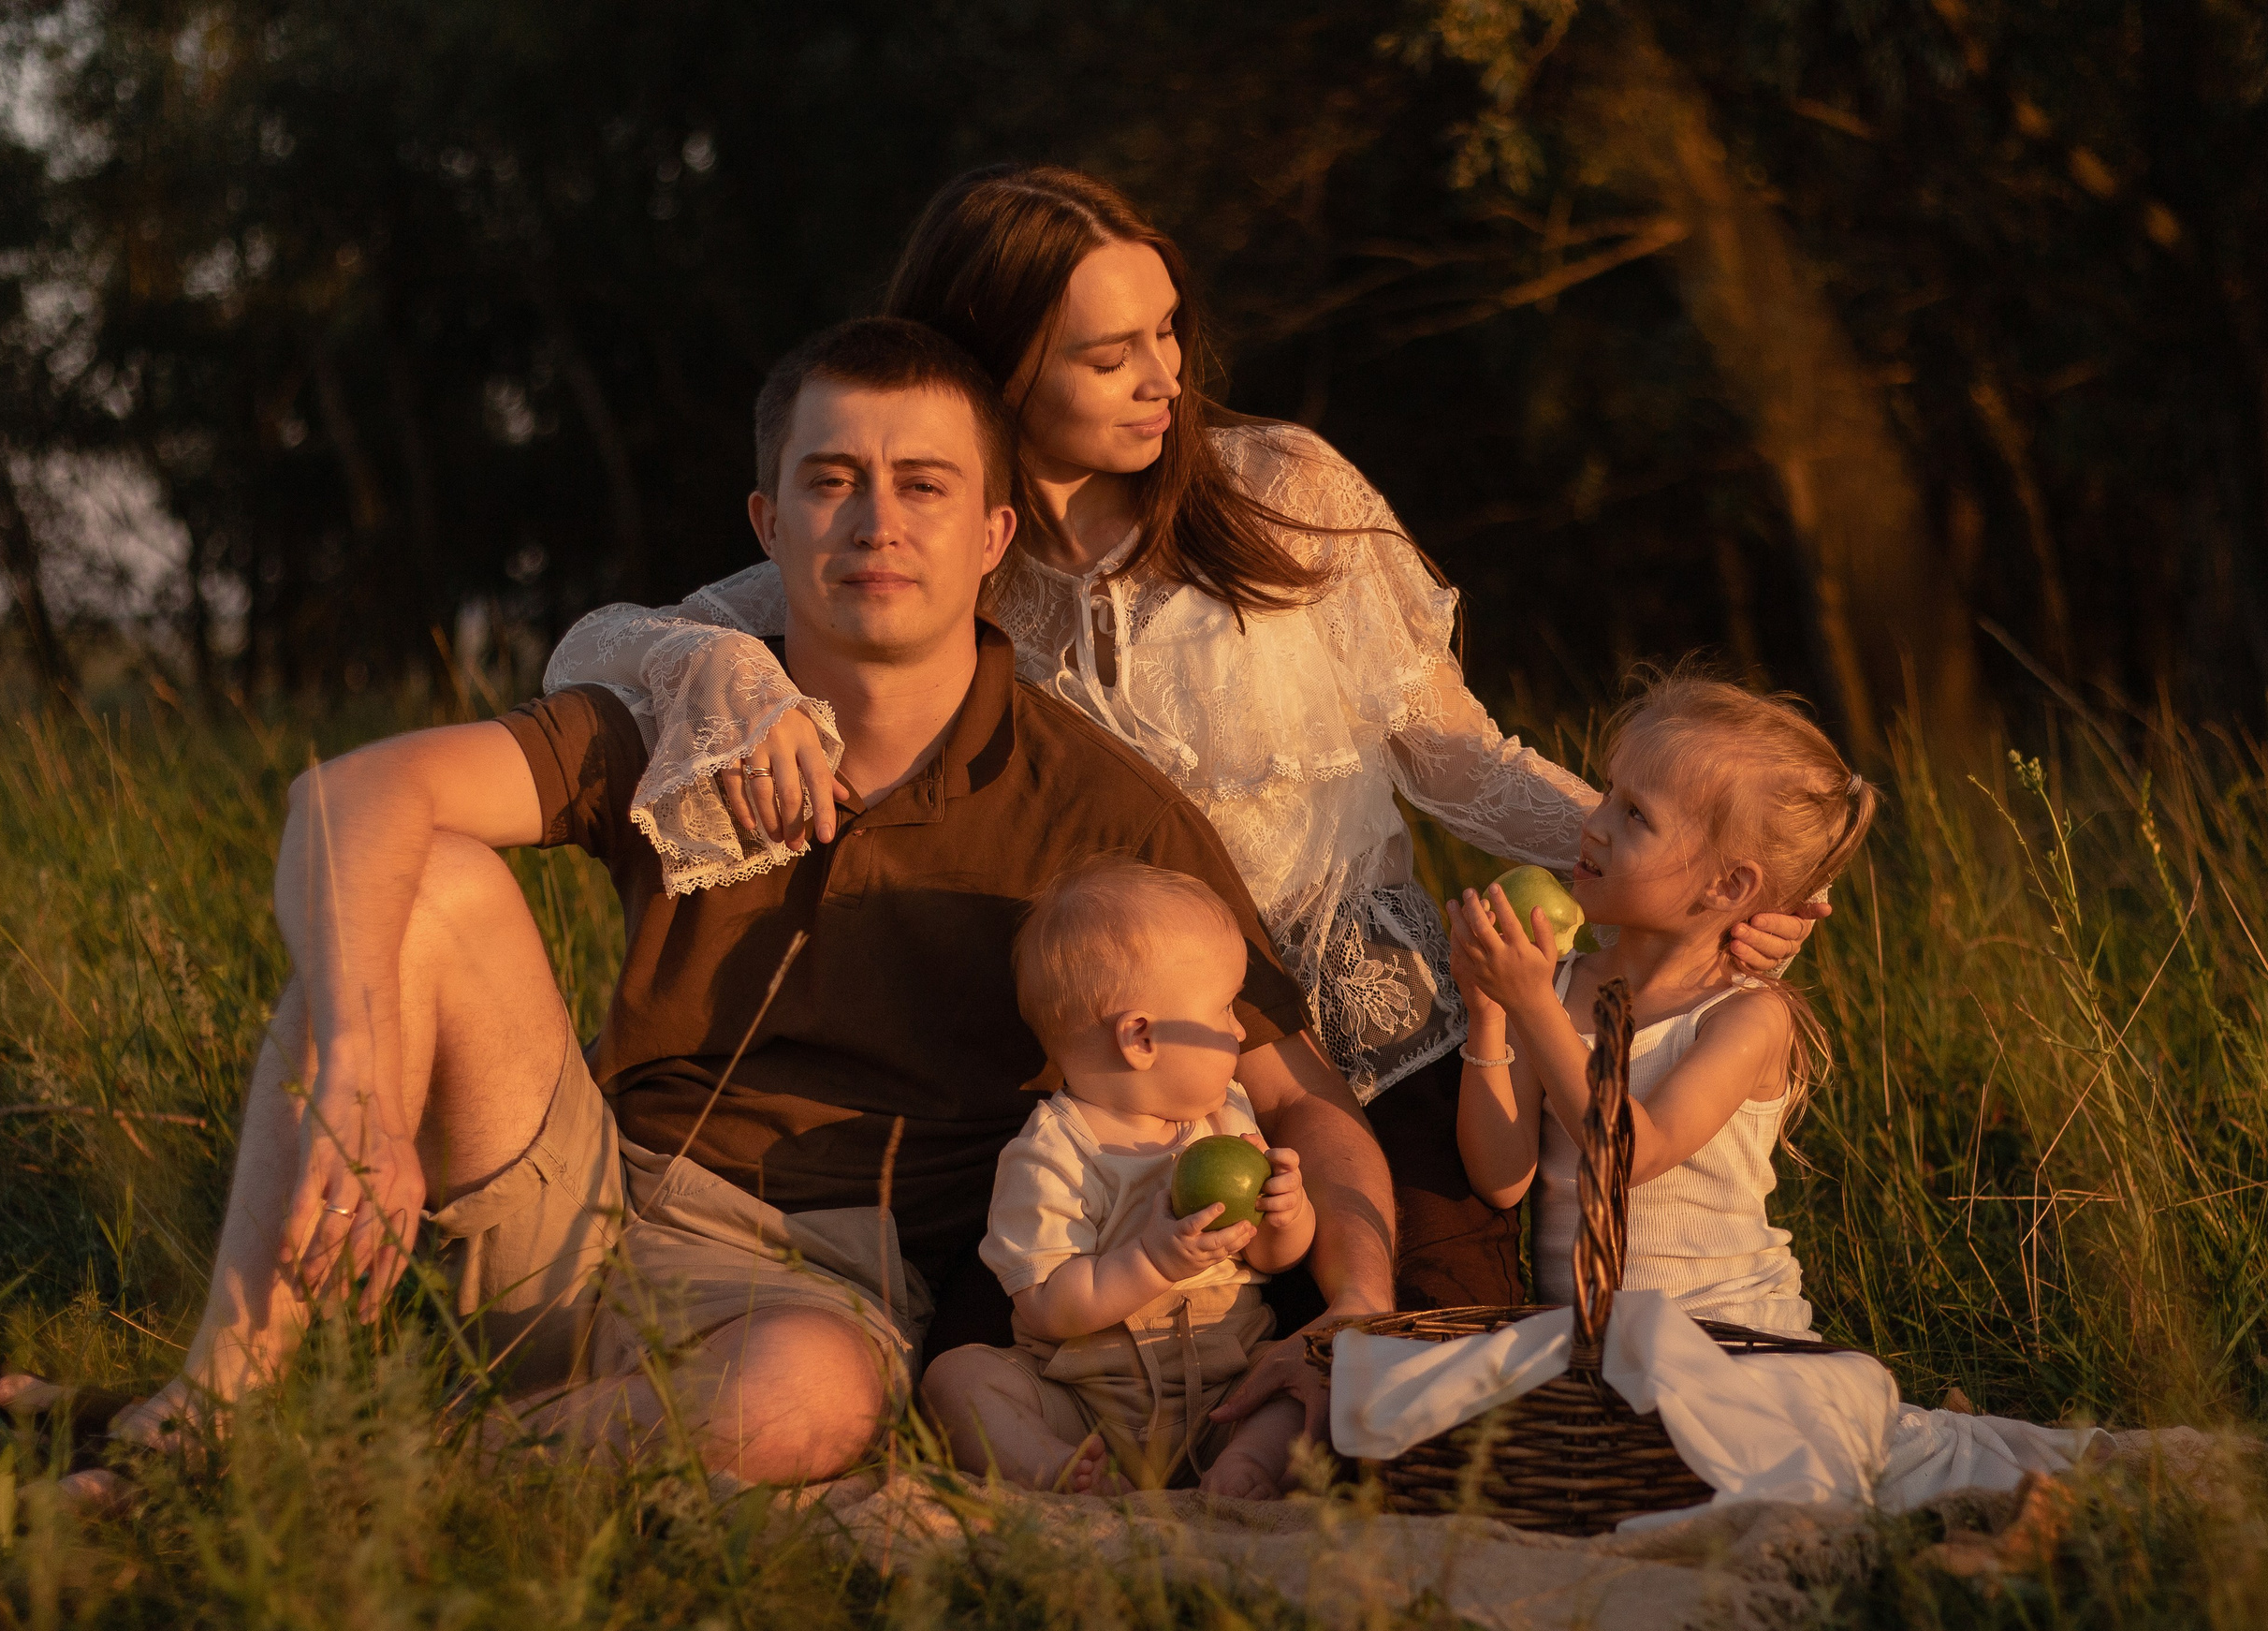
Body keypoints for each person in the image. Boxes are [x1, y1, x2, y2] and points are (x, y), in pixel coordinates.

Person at [0, 317, 1395, 1503]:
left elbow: (1309, 1103)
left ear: (992, 533)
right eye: (833, 481)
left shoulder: (1099, 808)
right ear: (768, 522)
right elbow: (341, 800)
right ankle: (210, 1411)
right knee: (417, 873)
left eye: (921, 485)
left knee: (815, 1398)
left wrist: (1354, 1321)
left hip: (827, 1290)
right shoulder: (694, 707)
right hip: (585, 1200)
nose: (875, 522)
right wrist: (365, 1074)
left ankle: (369, 1470)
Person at [544, 164, 1825, 1320]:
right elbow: (603, 647)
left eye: (1166, 331)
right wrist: (725, 671)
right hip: (1132, 1089)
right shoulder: (933, 541)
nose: (1165, 376)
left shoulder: (1284, 487)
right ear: (997, 369)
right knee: (1100, 1372)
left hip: (1392, 1054)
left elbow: (1461, 756)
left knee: (1423, 1372)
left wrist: (1672, 870)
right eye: (1110, 355)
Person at [1446, 674, 1876, 1333]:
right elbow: (1502, 1179)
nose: (1596, 825)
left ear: (1727, 885)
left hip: (1724, 1331)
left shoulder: (1745, 1017)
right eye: (1609, 794)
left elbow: (1631, 1157)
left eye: (1635, 814)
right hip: (1586, 1341)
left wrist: (1529, 1005)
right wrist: (1490, 1012)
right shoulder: (1557, 986)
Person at [920, 858, 1316, 1499]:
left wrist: (1285, 1213)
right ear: (1139, 1038)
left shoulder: (1225, 1118)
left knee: (1306, 1380)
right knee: (958, 1379)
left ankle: (1245, 1466)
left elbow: (1272, 1258)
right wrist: (1154, 1260)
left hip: (1227, 1393)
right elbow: (1048, 1307)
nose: (1242, 1031)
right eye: (1223, 1012)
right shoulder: (1051, 1155)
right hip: (1085, 1408)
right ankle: (1057, 1468)